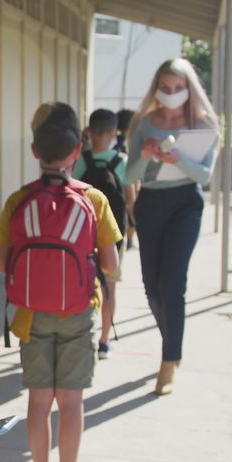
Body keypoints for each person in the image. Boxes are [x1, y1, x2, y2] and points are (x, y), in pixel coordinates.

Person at [0, 103, 121, 462]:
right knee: (70, 402)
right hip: (78, 313)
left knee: (38, 401)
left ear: (35, 151)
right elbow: (111, 266)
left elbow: (1, 263)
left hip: (31, 315)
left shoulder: (18, 200)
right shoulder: (95, 200)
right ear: (76, 150)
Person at [125, 58, 219, 396]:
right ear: (156, 88)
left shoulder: (205, 124)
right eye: (165, 87)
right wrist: (147, 156)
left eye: (178, 88)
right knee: (152, 287)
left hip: (186, 205)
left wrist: (179, 158)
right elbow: (130, 176)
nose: (172, 94)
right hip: (151, 203)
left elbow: (206, 176)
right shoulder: (144, 124)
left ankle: (169, 361)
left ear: (190, 89)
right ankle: (172, 339)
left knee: (172, 283)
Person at [73, 109, 133, 360]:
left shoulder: (82, 160)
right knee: (109, 287)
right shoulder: (120, 161)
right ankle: (105, 341)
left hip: (82, 233)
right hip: (113, 232)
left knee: (81, 283)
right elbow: (130, 199)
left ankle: (78, 336)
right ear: (113, 133)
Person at [116, 109, 139, 250]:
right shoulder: (131, 140)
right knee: (130, 210)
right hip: (128, 179)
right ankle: (129, 239)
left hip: (116, 181)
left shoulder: (114, 139)